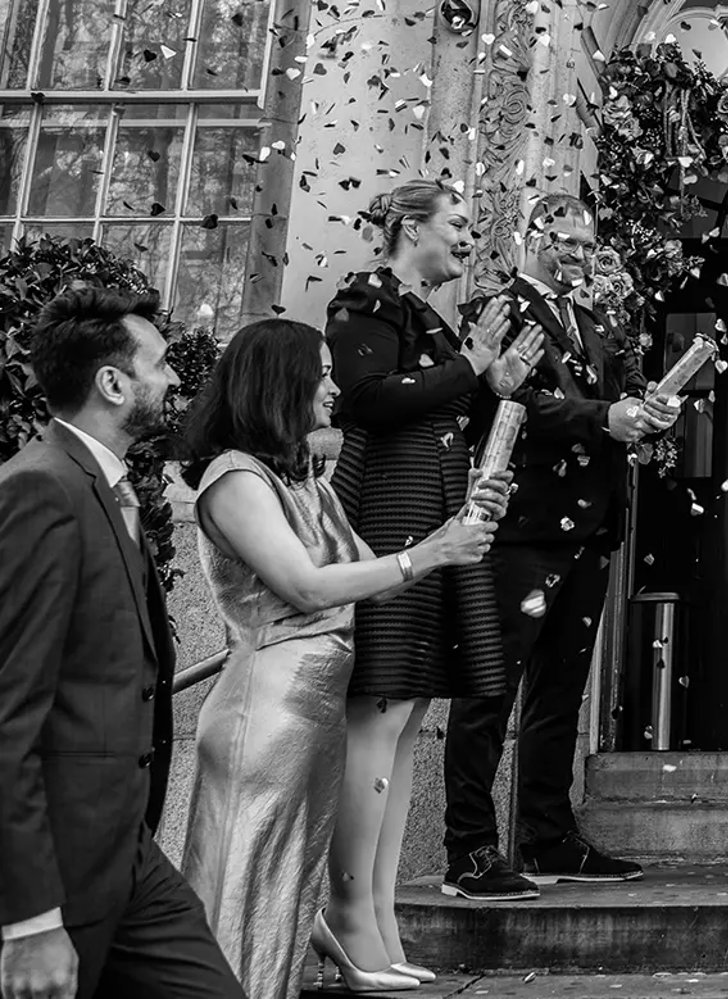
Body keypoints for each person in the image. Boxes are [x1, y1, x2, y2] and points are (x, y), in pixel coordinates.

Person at [175, 320, 507, 997]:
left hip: (315, 706)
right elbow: (304, 586)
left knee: (286, 887)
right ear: (281, 383)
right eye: (321, 373)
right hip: (263, 709)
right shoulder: (233, 478)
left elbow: (373, 574)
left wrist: (457, 527)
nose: (333, 387)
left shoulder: (305, 481)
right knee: (240, 884)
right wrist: (428, 553)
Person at [323, 179, 544, 983]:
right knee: (378, 715)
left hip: (435, 508)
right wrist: (471, 365)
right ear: (410, 227)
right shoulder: (365, 299)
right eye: (457, 224)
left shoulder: (430, 317)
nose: (469, 239)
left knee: (408, 717)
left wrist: (492, 385)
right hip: (391, 511)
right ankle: (347, 911)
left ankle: (380, 910)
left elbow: (440, 407)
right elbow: (369, 401)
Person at [0, 288, 244, 999]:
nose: (175, 378)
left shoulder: (106, 487)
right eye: (160, 364)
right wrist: (29, 919)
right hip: (61, 865)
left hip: (127, 852)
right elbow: (7, 715)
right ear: (112, 382)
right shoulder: (41, 491)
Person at [442, 193, 677, 900]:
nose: (577, 254)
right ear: (530, 236)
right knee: (489, 690)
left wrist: (649, 409)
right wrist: (605, 416)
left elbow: (619, 394)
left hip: (593, 526)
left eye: (587, 243)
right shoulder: (496, 309)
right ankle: (469, 850)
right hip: (523, 525)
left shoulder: (596, 321)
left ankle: (547, 838)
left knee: (560, 692)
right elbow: (506, 403)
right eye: (564, 241)